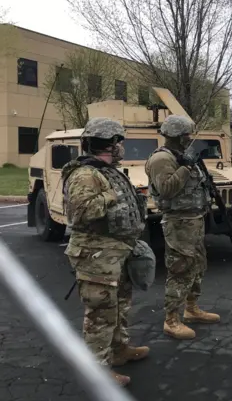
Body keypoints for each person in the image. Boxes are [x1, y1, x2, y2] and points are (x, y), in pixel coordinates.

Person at [62, 117, 150, 387]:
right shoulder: (85, 173)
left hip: (116, 252)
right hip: (95, 255)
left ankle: (119, 350)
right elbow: (80, 212)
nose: (122, 147)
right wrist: (110, 196)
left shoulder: (105, 170)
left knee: (119, 306)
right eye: (120, 142)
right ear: (112, 144)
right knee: (100, 315)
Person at [145, 114, 220, 340]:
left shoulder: (183, 156)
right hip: (178, 222)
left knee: (196, 265)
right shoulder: (162, 159)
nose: (189, 138)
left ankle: (191, 308)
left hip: (194, 220)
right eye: (186, 134)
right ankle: (171, 320)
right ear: (176, 136)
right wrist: (186, 166)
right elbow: (167, 189)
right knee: (179, 268)